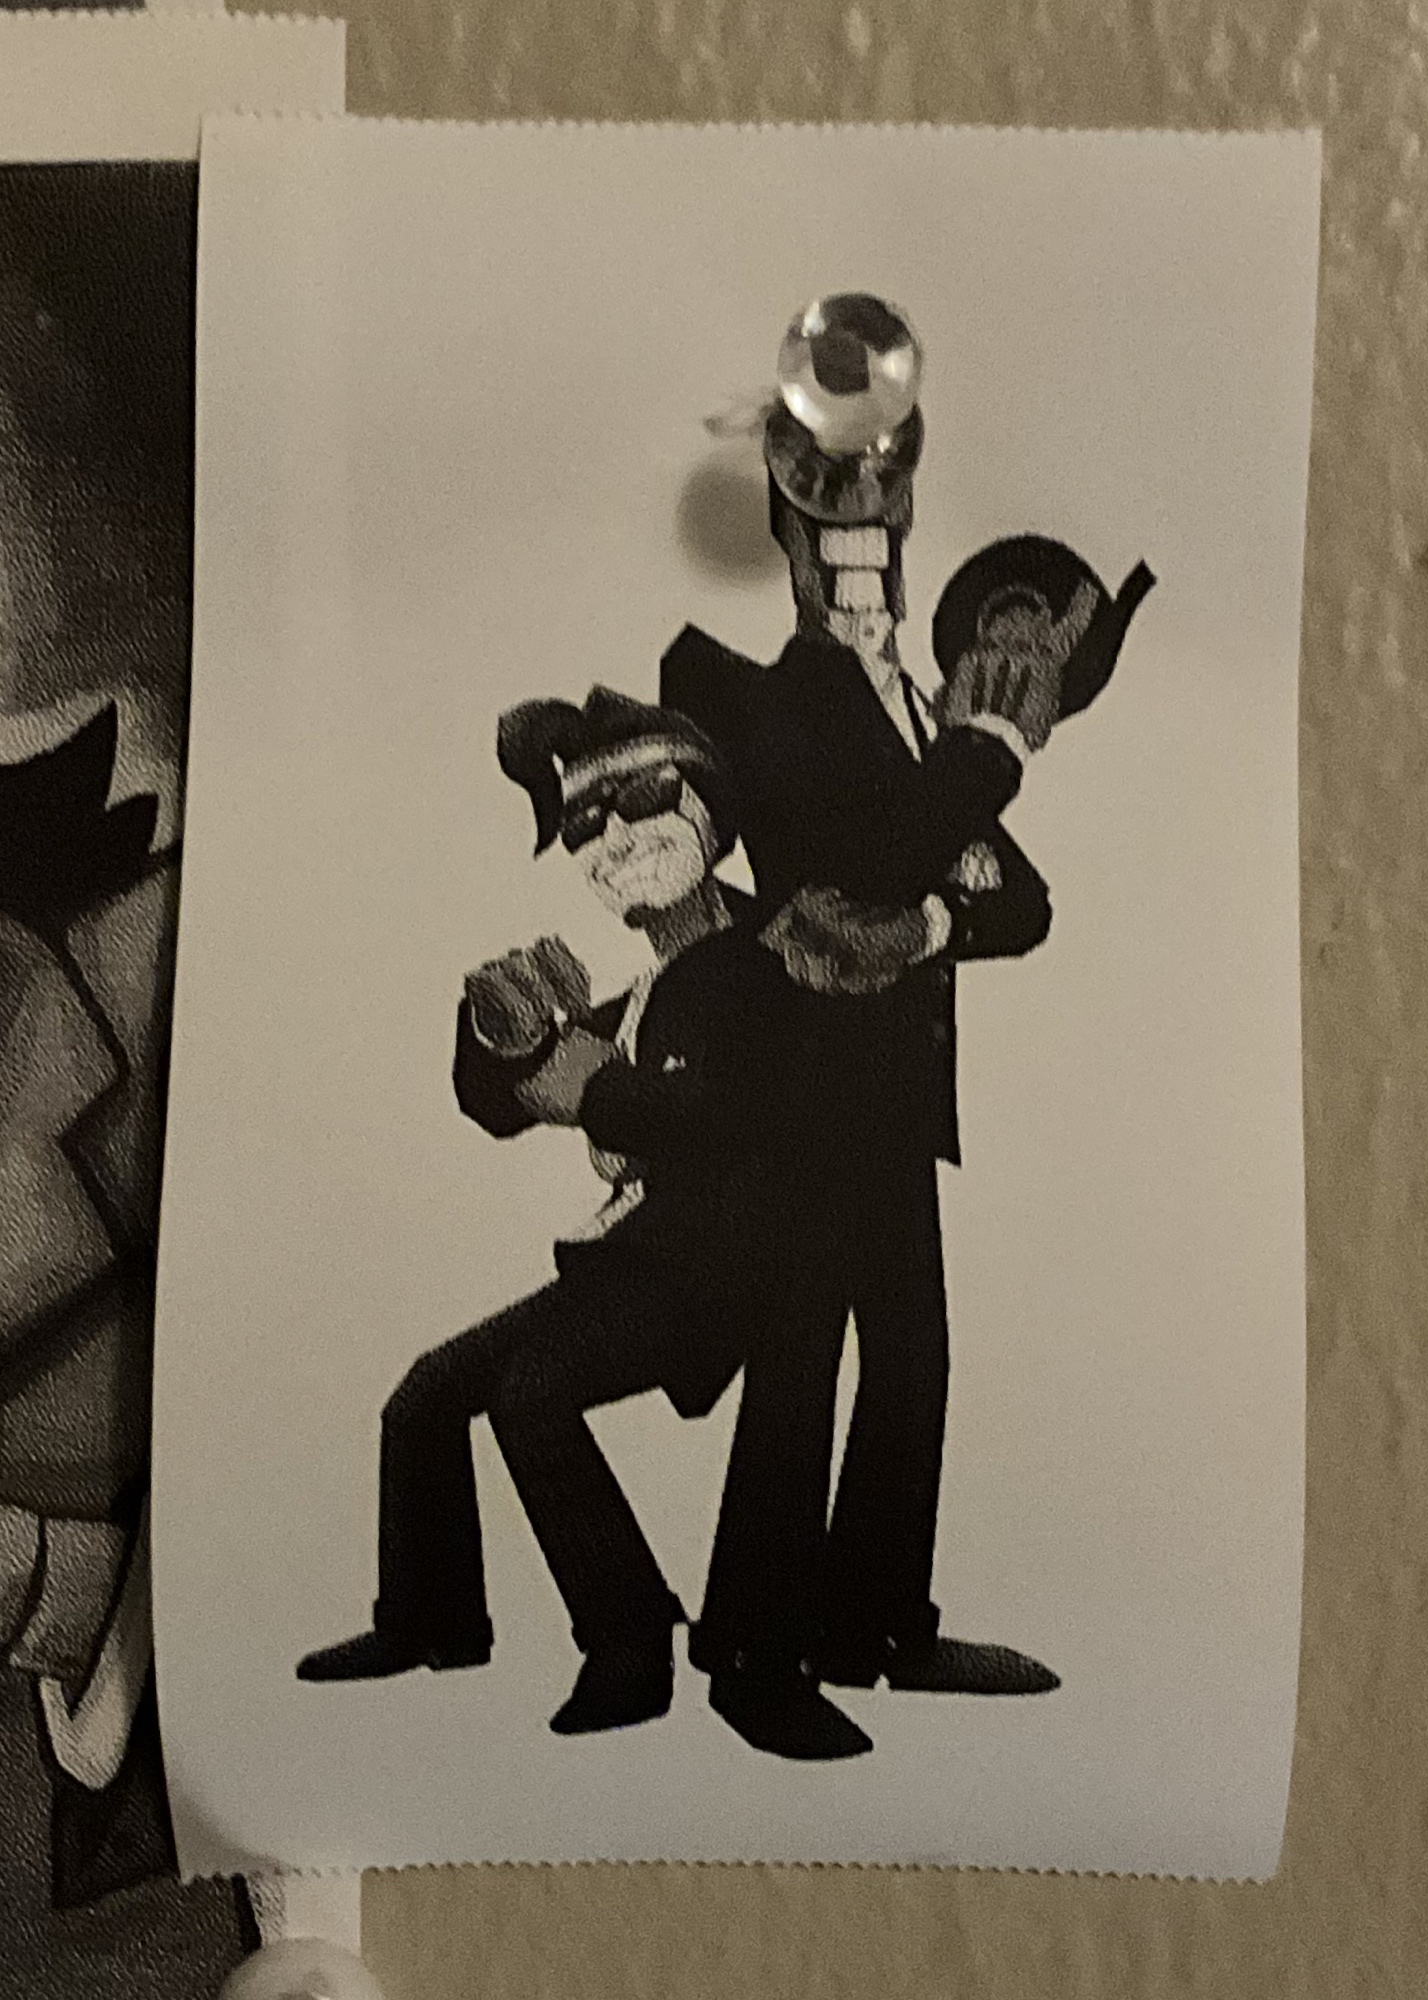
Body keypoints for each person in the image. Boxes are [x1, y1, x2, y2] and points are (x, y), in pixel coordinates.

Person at [662, 311, 1152, 1706]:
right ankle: (752, 1652)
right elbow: (881, 850)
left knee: (911, 1359)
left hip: (887, 1096)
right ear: (792, 541)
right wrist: (984, 753)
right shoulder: (781, 701)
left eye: (879, 532)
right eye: (834, 532)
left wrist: (931, 918)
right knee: (798, 1357)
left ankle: (875, 1625)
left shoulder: (914, 717)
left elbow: (1019, 902)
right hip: (805, 1092)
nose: (861, 562)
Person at [296, 688, 874, 1756]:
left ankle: (628, 1645)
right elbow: (497, 1104)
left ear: (708, 809)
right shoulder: (655, 981)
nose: (614, 837)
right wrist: (497, 1024)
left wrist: (590, 1086)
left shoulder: (762, 961)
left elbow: (732, 1116)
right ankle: (430, 1618)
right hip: (641, 1267)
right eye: (583, 823)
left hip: (727, 1274)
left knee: (533, 1389)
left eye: (643, 798)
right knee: (425, 1395)